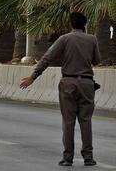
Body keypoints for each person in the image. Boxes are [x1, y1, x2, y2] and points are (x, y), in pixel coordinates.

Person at [20, 12, 101, 167]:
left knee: (68, 122)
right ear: (85, 24)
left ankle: (68, 158)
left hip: (68, 83)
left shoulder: (64, 39)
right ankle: (88, 157)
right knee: (86, 121)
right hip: (87, 84)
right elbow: (97, 60)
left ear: (71, 23)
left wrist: (33, 76)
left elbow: (47, 58)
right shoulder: (92, 39)